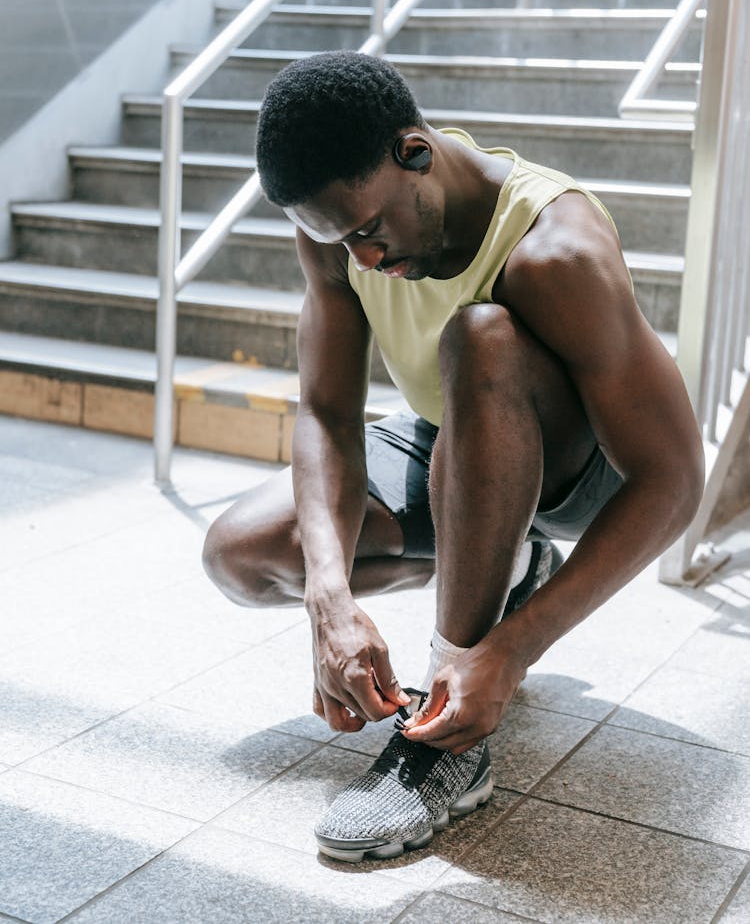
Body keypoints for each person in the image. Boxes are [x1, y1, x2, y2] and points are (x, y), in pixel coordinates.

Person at [203, 51, 703, 863]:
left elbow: (675, 481)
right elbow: (326, 413)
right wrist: (328, 599)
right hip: (454, 434)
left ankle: (446, 740)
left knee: (481, 334)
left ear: (414, 152)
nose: (362, 259)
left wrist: (509, 650)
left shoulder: (554, 248)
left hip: (583, 469)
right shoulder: (341, 237)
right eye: (337, 239)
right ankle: (505, 564)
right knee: (244, 554)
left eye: (367, 231)